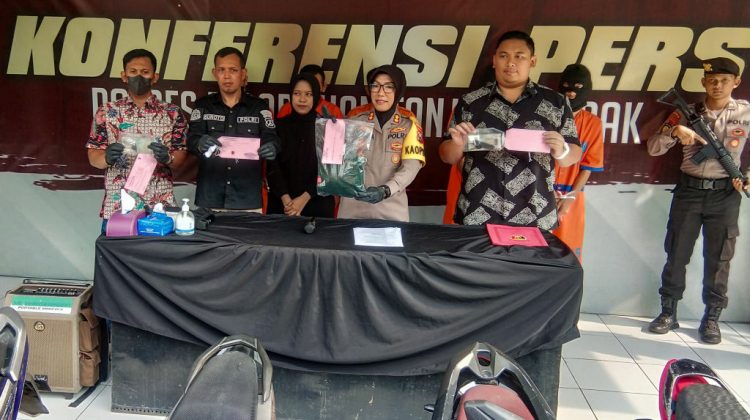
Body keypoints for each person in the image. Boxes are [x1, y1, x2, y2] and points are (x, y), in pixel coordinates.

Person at [647, 57, 749, 344]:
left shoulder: (745, 113)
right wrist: (674, 131)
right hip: (689, 192)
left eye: (724, 80)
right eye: (712, 80)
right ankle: (668, 312)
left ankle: (711, 318)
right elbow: (654, 148)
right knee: (677, 253)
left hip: (725, 195)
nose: (717, 85)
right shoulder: (686, 112)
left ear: (736, 82)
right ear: (703, 82)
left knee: (719, 259)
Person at [439, 31, 581, 229]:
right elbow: (446, 156)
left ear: (532, 61)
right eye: (503, 56)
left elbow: (574, 154)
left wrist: (562, 150)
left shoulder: (556, 103)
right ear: (494, 60)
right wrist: (458, 144)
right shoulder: (471, 102)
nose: (511, 62)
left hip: (535, 214)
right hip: (478, 212)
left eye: (519, 56)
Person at [86, 48, 188, 230]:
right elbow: (94, 155)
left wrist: (168, 158)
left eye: (145, 72)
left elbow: (181, 158)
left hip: (159, 206)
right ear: (124, 76)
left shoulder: (172, 113)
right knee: (117, 249)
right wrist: (106, 157)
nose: (139, 76)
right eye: (133, 71)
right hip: (118, 206)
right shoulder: (107, 111)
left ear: (155, 77)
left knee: (159, 249)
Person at [187, 47, 280, 212]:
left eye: (233, 70)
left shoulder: (259, 107)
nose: (227, 76)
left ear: (243, 73)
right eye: (221, 70)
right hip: (210, 196)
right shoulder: (203, 106)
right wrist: (200, 143)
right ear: (214, 73)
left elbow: (272, 137)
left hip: (247, 198)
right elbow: (191, 139)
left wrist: (272, 146)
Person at [338, 64, 425, 222]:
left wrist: (385, 190)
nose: (380, 92)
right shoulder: (354, 120)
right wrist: (330, 130)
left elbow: (411, 168)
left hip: (391, 212)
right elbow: (336, 162)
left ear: (399, 90)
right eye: (375, 86)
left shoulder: (409, 125)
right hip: (353, 211)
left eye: (388, 87)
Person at [551, 64, 605, 260]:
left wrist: (569, 198)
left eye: (579, 87)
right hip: (540, 193)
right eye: (566, 86)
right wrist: (547, 192)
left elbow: (588, 166)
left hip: (572, 196)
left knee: (568, 253)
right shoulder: (545, 117)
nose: (572, 92)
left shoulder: (593, 123)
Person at [266, 73, 335, 217]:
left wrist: (304, 198)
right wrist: (286, 199)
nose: (302, 99)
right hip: (282, 205)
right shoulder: (278, 126)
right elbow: (272, 167)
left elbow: (330, 170)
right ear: (290, 95)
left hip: (317, 203)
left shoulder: (328, 127)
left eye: (308, 94)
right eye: (297, 93)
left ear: (316, 96)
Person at [276, 64, 343, 119]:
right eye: (306, 84)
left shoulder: (334, 110)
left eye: (315, 84)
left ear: (324, 87)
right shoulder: (287, 108)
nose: (311, 88)